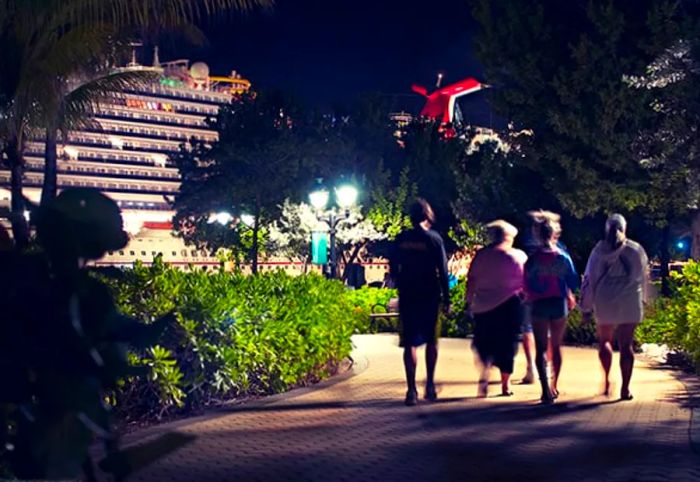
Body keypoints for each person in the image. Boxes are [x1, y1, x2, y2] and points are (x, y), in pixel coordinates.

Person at [580, 214, 649, 401]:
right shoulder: (636, 250)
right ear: (625, 228)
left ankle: (606, 381)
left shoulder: (598, 252)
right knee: (626, 346)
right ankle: (625, 389)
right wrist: (645, 301)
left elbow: (589, 280)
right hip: (629, 300)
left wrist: (585, 308)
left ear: (606, 229)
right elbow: (644, 278)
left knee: (605, 342)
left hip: (605, 300)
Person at [389, 199, 451, 406]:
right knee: (431, 341)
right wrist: (447, 298)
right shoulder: (434, 239)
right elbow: (442, 271)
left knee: (410, 344)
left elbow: (393, 265)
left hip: (408, 294)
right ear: (427, 216)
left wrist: (401, 283)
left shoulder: (401, 239)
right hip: (429, 294)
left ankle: (411, 390)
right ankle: (430, 384)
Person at [466, 220, 527, 397]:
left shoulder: (482, 255)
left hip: (483, 307)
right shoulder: (519, 256)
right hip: (510, 306)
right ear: (509, 237)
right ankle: (505, 385)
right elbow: (527, 282)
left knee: (484, 342)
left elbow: (472, 280)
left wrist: (468, 303)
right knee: (508, 345)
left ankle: (484, 371)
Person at [524, 215, 579, 404]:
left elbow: (527, 283)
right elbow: (572, 281)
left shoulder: (533, 260)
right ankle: (555, 384)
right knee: (555, 346)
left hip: (539, 303)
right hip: (558, 303)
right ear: (555, 233)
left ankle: (545, 389)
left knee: (540, 348)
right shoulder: (563, 258)